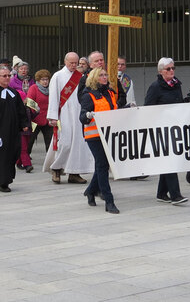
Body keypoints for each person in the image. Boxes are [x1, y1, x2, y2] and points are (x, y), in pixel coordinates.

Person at [144, 57, 189, 205]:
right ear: (161, 71)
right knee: (170, 162)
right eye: (168, 69)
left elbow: (178, 104)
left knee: (169, 161)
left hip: (175, 127)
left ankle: (162, 193)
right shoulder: (155, 86)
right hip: (161, 129)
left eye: (173, 68)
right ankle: (175, 195)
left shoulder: (176, 85)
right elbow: (148, 108)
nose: (172, 71)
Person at [80, 68, 125, 214]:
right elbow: (82, 118)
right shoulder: (88, 95)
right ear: (94, 78)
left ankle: (90, 191)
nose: (105, 77)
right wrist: (87, 115)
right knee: (102, 164)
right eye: (101, 75)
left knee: (103, 165)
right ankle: (109, 200)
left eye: (105, 75)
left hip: (108, 134)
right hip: (94, 136)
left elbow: (112, 111)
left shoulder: (110, 93)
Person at [44, 52, 92, 184]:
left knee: (78, 143)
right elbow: (53, 97)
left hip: (78, 114)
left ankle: (74, 172)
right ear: (65, 62)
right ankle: (56, 169)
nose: (73, 65)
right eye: (71, 63)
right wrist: (52, 116)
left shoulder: (80, 76)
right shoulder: (57, 76)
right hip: (63, 114)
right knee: (64, 143)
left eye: (76, 63)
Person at [0, 66, 29, 192]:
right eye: (4, 76)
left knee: (14, 153)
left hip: (13, 130)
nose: (7, 78)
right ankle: (2, 182)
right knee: (2, 157)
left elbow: (21, 110)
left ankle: (8, 178)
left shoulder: (14, 93)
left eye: (9, 75)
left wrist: (24, 123)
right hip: (0, 131)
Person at [27, 69, 53, 155]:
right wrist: (35, 112)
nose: (45, 82)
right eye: (43, 79)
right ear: (38, 80)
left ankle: (50, 162)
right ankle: (25, 160)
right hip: (35, 120)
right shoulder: (33, 88)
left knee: (50, 142)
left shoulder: (52, 88)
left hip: (48, 120)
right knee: (30, 141)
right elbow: (30, 102)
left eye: (47, 79)